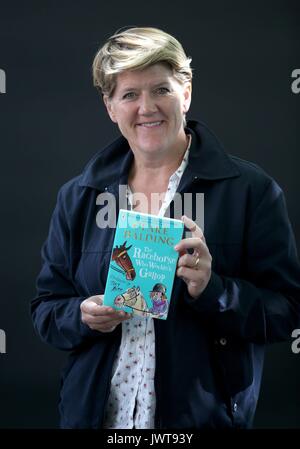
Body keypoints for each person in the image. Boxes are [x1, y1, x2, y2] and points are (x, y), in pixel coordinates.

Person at [31, 27, 300, 429]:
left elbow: (287, 312)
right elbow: (46, 311)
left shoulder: (251, 191)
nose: (147, 108)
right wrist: (82, 316)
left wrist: (213, 290)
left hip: (198, 421)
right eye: (129, 95)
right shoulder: (79, 195)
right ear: (110, 106)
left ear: (186, 93)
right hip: (96, 418)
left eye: (161, 90)